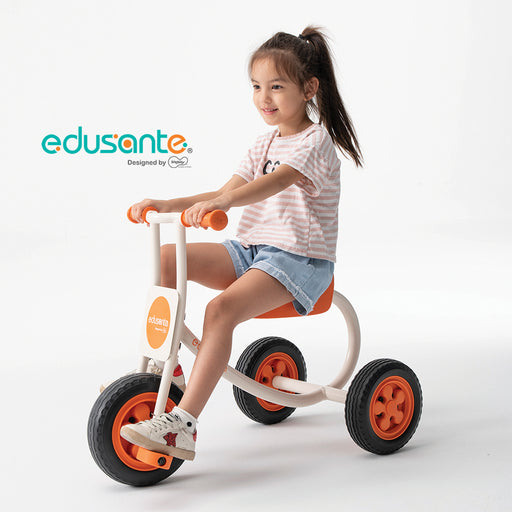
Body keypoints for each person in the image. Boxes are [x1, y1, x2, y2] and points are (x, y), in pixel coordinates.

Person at [120, 26, 363, 461]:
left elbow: (275, 182)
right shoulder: (264, 141)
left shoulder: (315, 141)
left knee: (220, 311)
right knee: (168, 258)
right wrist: (168, 203)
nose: (264, 97)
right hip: (253, 251)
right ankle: (167, 369)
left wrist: (225, 203)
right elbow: (226, 189)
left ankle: (183, 425)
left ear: (309, 89)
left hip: (299, 261)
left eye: (276, 86)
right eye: (256, 86)